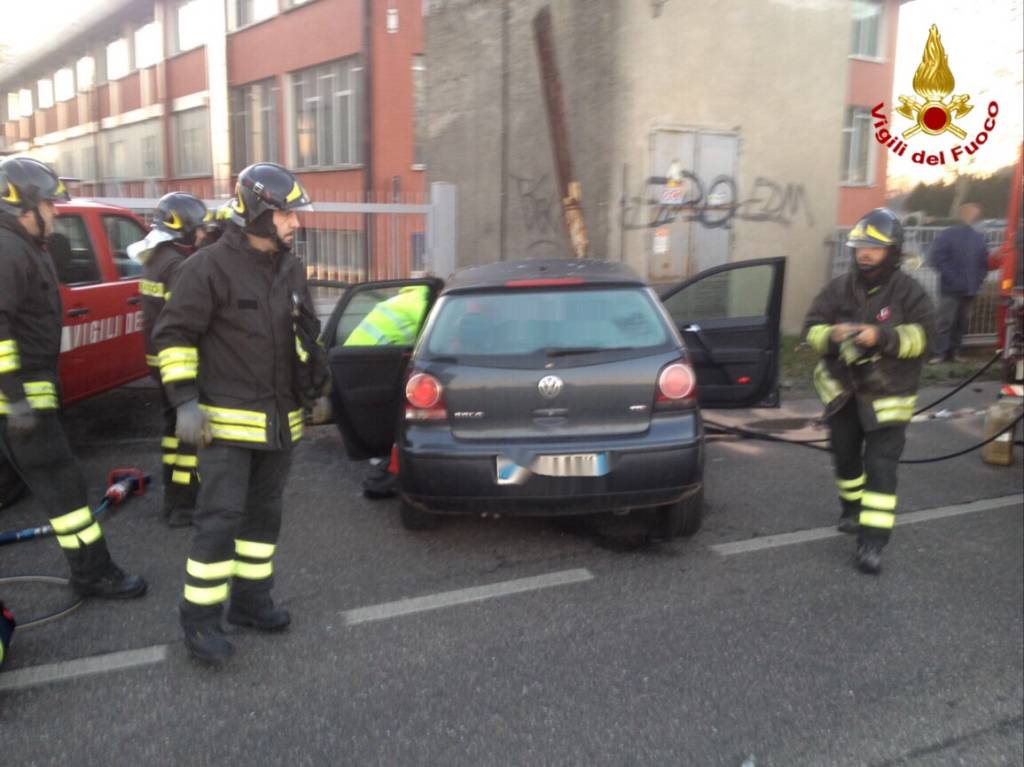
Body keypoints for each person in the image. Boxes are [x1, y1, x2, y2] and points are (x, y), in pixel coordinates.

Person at [152, 162, 326, 666]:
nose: (295, 223)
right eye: (287, 214)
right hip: (225, 428)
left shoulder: (290, 267)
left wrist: (316, 384)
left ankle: (251, 603)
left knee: (264, 518)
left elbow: (304, 334)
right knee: (218, 522)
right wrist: (184, 400)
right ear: (257, 213)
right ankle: (200, 622)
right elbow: (173, 335)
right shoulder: (207, 268)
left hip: (280, 424)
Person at [0, 156, 147, 598]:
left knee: (43, 482)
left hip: (29, 391)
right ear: (24, 206)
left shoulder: (22, 246)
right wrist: (15, 397)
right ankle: (93, 572)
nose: (55, 212)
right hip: (21, 397)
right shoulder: (8, 250)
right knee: (63, 487)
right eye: (49, 204)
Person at [804, 208, 936, 575]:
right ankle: (851, 509)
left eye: (874, 248)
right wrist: (831, 335)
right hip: (843, 395)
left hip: (888, 398)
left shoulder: (909, 292)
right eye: (861, 246)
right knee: (846, 459)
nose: (865, 253)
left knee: (880, 469)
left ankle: (872, 543)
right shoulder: (838, 289)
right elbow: (810, 329)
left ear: (892, 251)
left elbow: (926, 339)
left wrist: (882, 336)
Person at [128, 192, 211, 527]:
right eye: (199, 227)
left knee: (171, 431)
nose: (202, 234)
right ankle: (183, 504)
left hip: (158, 362)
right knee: (187, 439)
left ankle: (173, 496)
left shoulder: (156, 258)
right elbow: (184, 322)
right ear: (183, 227)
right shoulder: (177, 266)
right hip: (178, 364)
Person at [342, 285, 430, 499]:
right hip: (370, 359)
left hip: (355, 356)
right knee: (402, 411)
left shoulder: (411, 298)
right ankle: (388, 460)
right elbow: (430, 342)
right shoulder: (422, 306)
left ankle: (382, 454)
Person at [927, 202, 991, 363]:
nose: (972, 215)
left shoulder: (978, 237)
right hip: (950, 289)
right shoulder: (948, 235)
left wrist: (978, 280)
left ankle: (954, 353)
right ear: (962, 214)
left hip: (970, 289)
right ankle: (939, 353)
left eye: (975, 212)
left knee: (961, 323)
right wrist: (952, 278)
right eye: (970, 212)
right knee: (945, 322)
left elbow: (984, 262)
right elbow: (936, 258)